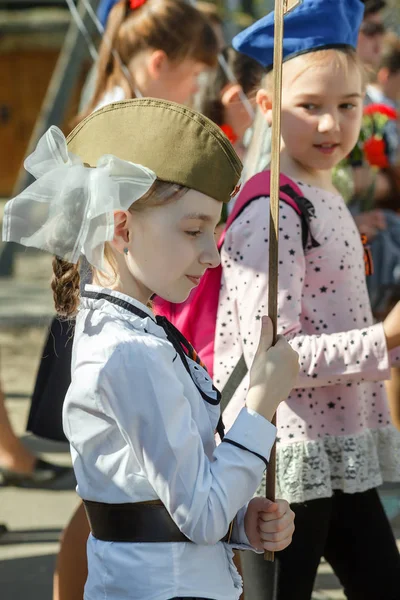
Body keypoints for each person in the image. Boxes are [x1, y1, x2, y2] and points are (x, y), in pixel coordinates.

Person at [2, 98, 299, 600]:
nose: (212, 254)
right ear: (122, 227)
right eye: (193, 229)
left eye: (214, 229)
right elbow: (201, 514)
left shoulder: (127, 331)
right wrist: (261, 407)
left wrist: (240, 524)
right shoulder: (129, 349)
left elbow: (147, 502)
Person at [210, 1, 400, 598]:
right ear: (266, 106)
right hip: (286, 456)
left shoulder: (322, 192)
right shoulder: (271, 210)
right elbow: (275, 360)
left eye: (347, 107)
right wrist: (386, 338)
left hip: (339, 447)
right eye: (309, 107)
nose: (331, 126)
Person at [78, 0, 218, 118]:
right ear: (159, 64)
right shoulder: (118, 124)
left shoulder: (132, 116)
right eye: (195, 74)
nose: (196, 88)